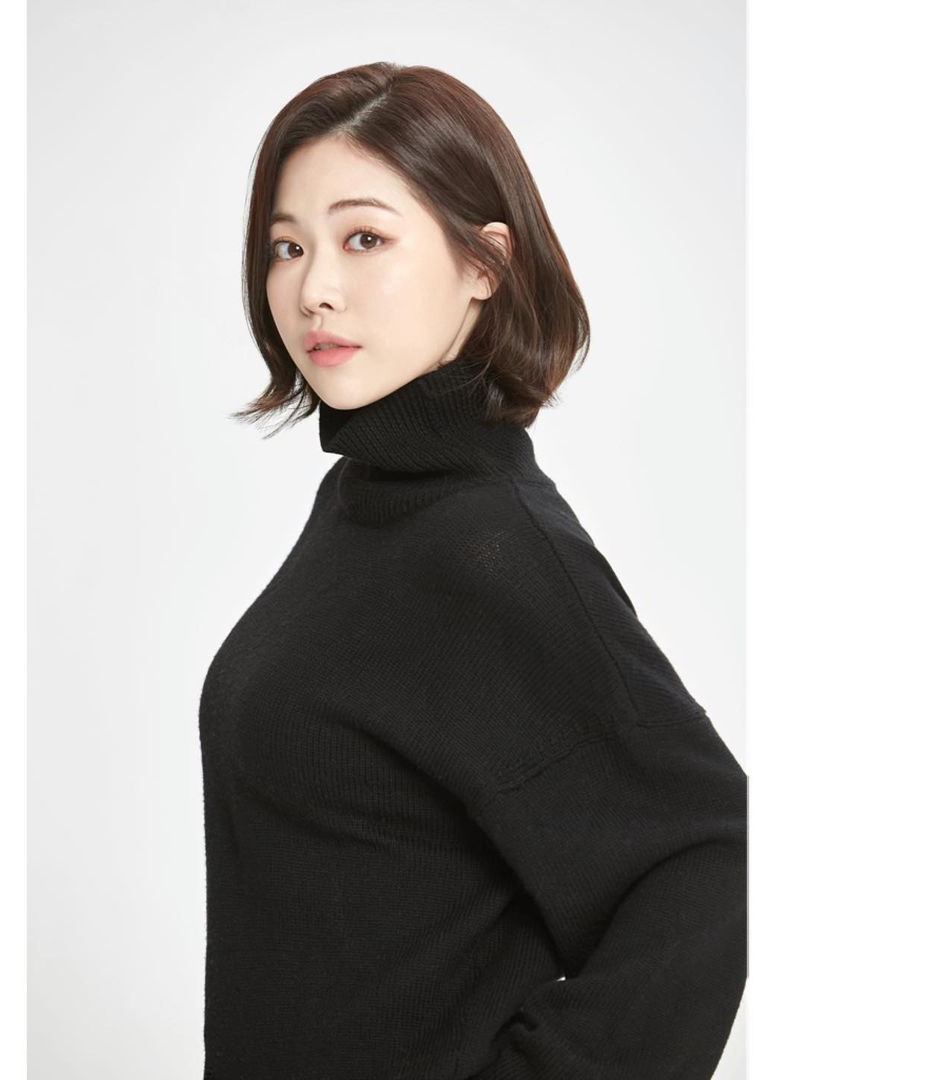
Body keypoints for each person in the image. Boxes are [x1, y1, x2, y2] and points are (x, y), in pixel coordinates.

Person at [199, 62, 747, 1080]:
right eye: (288, 246)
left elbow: (714, 857)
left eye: (365, 239)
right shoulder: (368, 501)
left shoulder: (486, 548)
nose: (313, 288)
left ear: (485, 262)